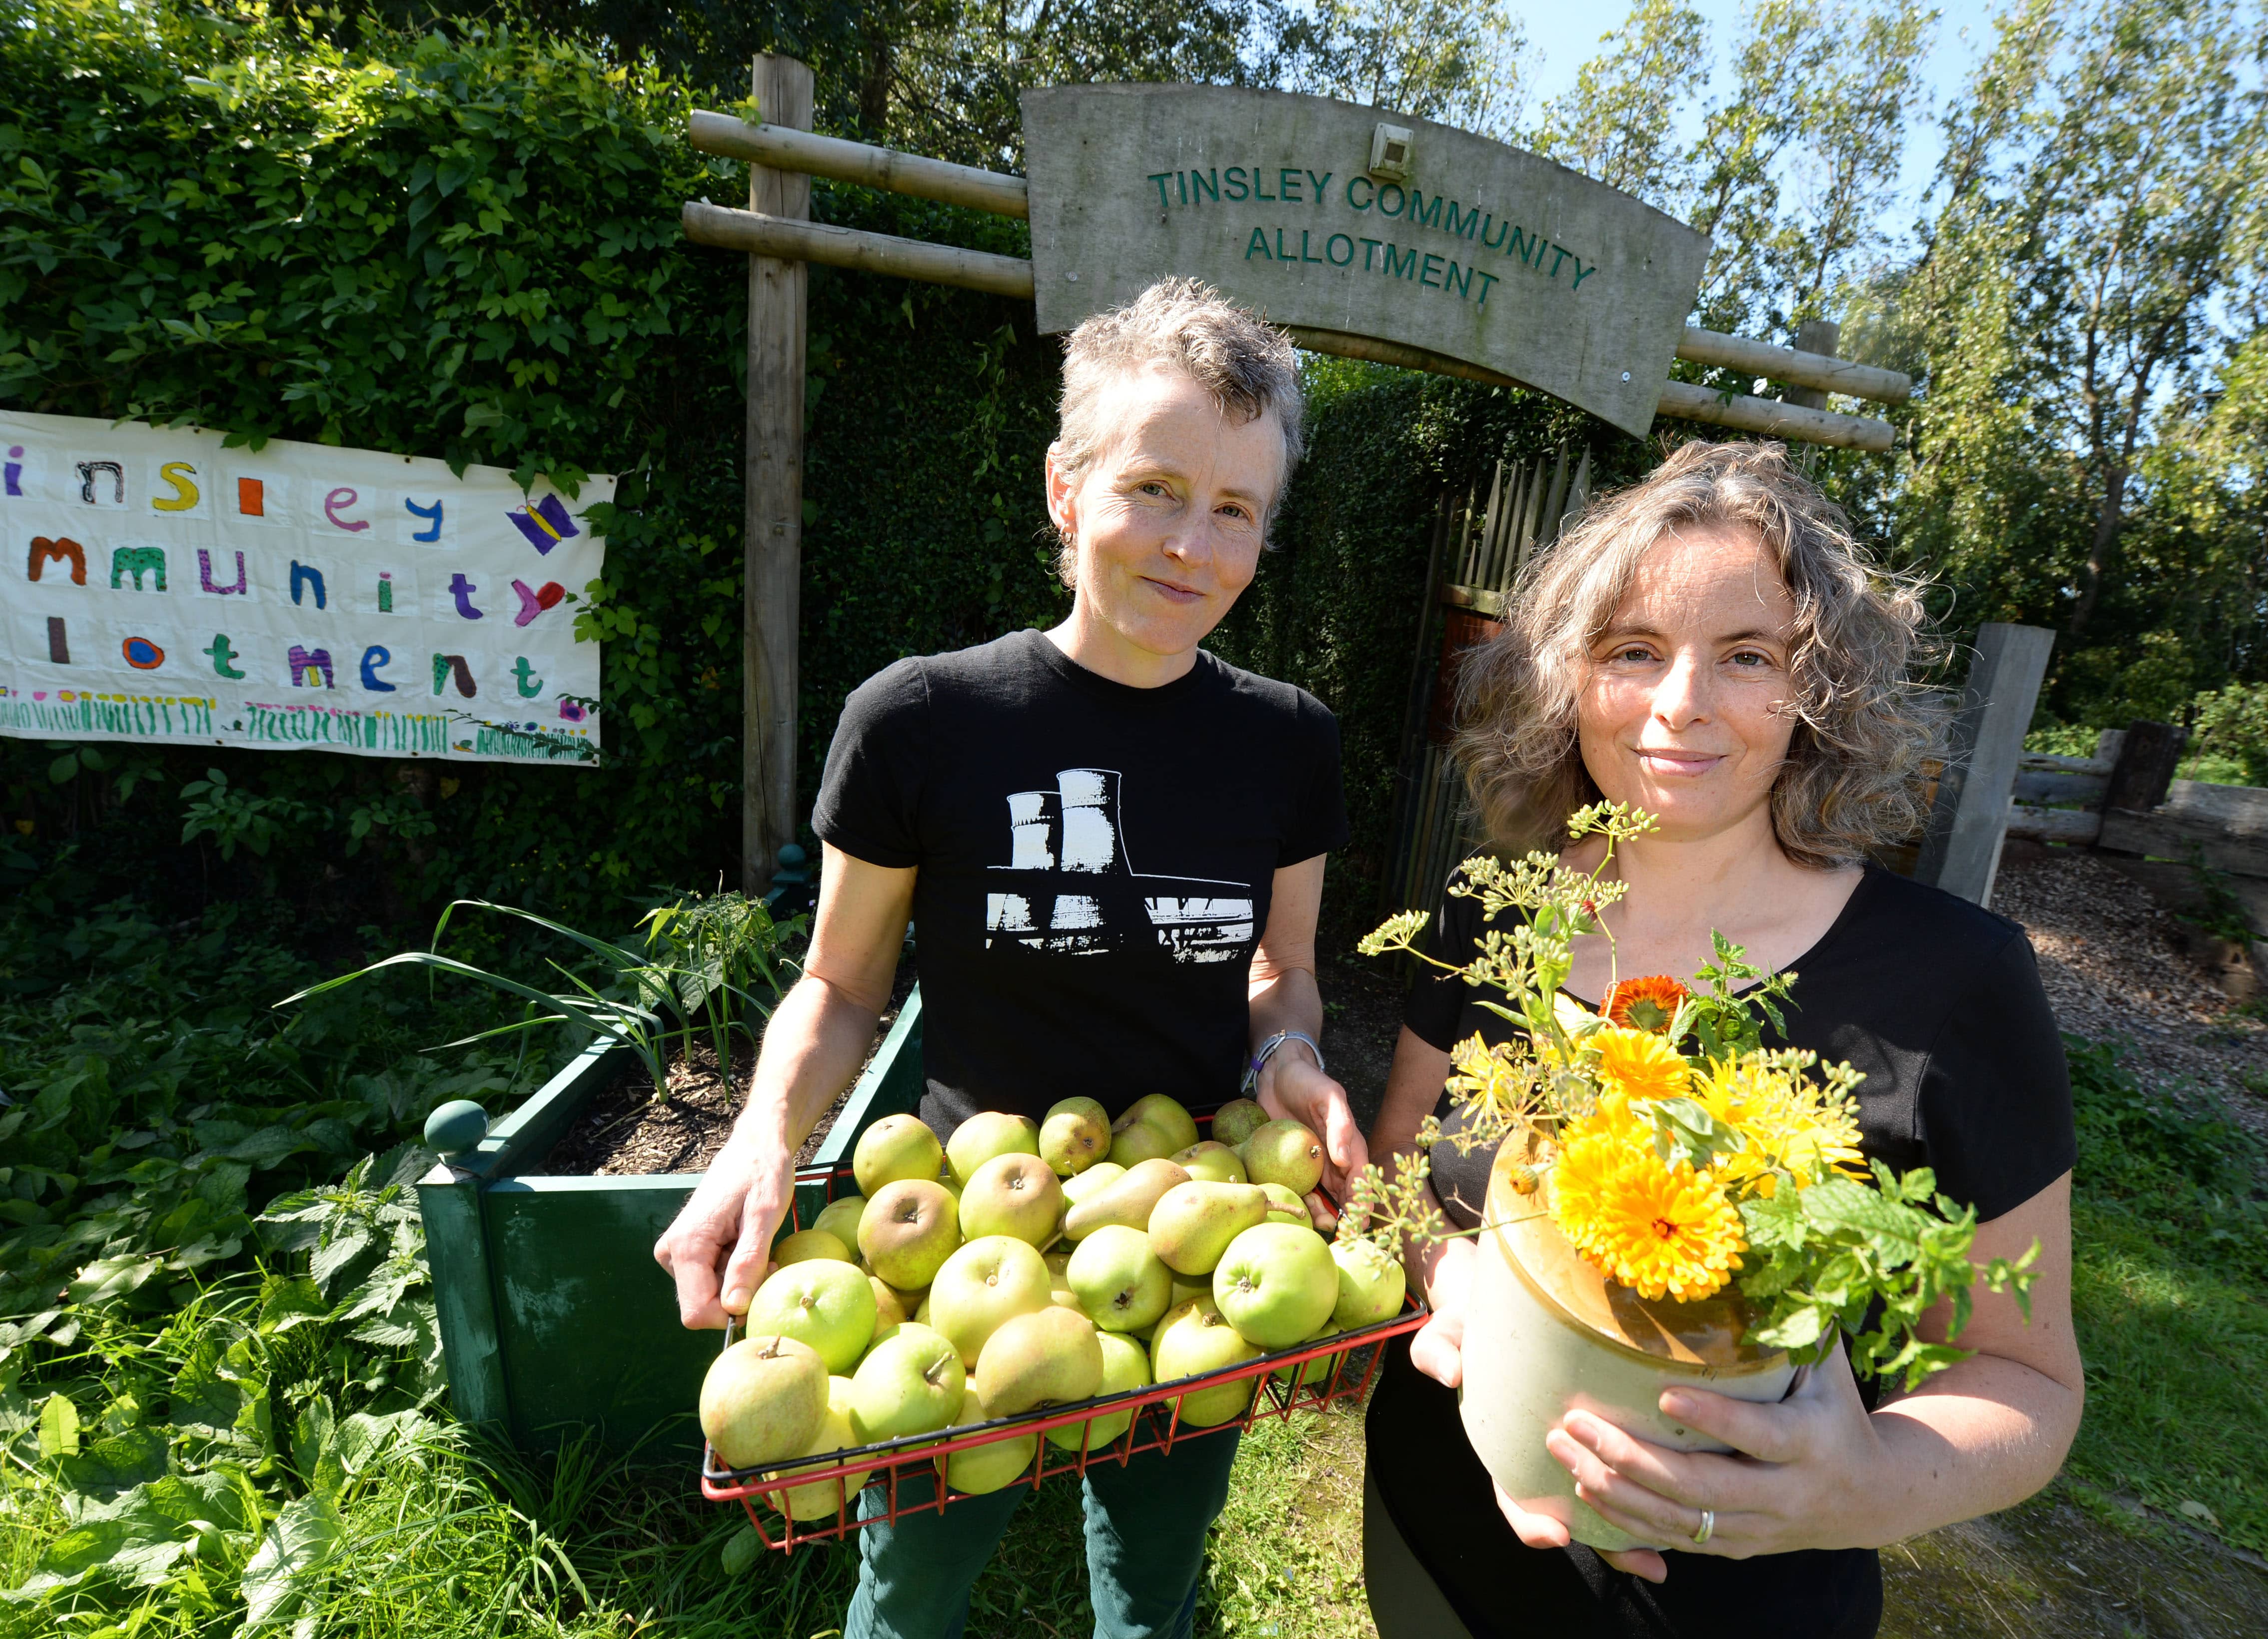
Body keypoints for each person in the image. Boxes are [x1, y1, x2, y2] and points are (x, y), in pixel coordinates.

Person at [653, 277, 1366, 1639]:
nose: (1192, 546)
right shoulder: (924, 719)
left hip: (1196, 1226)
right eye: (1155, 488)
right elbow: (842, 983)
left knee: (1154, 1584)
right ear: (1064, 487)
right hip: (954, 1235)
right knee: (913, 1583)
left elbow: (1282, 971)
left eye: (1236, 511)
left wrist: (1286, 1050)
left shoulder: (1289, 742)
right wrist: (761, 1137)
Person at [1360, 439, 2083, 1639]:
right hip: (1433, 1526)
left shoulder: (1957, 979)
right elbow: (1399, 1172)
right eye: (1631, 650)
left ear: (1819, 690)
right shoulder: (1494, 912)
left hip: (1733, 1604)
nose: (1680, 702)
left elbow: (2031, 1385)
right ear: (1565, 680)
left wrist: (1860, 1485)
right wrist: (1454, 1270)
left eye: (1744, 656)